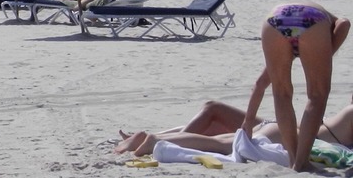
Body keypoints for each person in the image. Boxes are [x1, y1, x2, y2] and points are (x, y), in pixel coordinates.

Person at [242, 3, 350, 171]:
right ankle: (301, 162)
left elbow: (260, 83)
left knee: (280, 93)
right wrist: (326, 54)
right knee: (317, 95)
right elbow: (344, 23)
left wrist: (248, 122)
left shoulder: (289, 49)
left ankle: (293, 158)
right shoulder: (330, 21)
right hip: (312, 18)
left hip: (274, 17)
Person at [115, 99, 353, 158]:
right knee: (220, 144)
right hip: (287, 133)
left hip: (279, 127)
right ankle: (156, 141)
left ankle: (147, 138)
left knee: (221, 132)